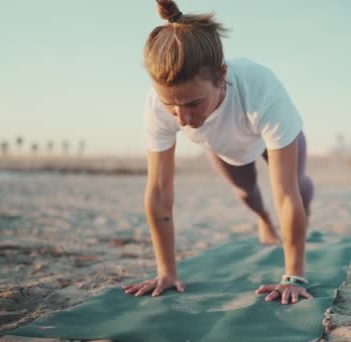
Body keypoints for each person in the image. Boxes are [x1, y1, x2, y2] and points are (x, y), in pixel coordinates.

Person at [122, 0, 314, 306]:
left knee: (299, 189)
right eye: (172, 105)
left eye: (194, 103)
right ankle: (263, 218)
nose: (182, 119)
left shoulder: (261, 89)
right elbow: (158, 191)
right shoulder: (158, 105)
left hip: (268, 134)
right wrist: (167, 271)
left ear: (222, 75)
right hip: (224, 146)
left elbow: (286, 194)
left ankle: (294, 234)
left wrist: (293, 276)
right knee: (245, 193)